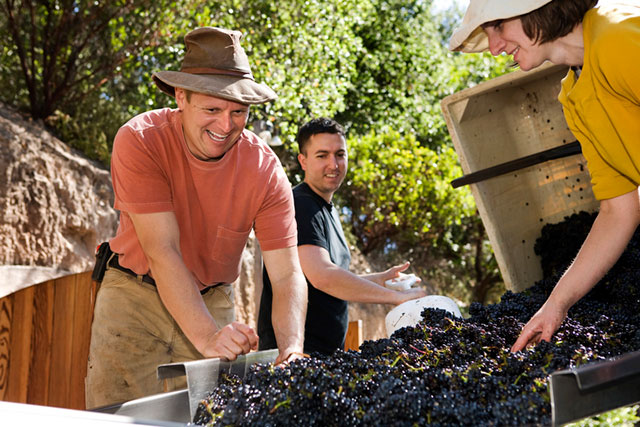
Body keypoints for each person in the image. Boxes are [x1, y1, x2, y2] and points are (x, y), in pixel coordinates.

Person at [85, 27, 308, 408]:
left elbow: (287, 273)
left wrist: (291, 349)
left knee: (213, 416)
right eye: (212, 109)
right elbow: (163, 250)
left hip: (214, 300)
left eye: (238, 112)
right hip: (133, 299)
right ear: (181, 96)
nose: (226, 125)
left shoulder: (266, 171)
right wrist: (207, 338)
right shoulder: (140, 140)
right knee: (115, 416)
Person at [449, 0, 640, 352]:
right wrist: (555, 305)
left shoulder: (618, 36)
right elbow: (618, 210)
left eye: (499, 26)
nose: (494, 48)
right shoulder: (573, 97)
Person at [257, 118, 427, 356]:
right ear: (302, 161)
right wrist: (394, 297)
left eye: (339, 154)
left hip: (324, 355)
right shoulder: (300, 205)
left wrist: (379, 279)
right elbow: (322, 277)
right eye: (322, 155)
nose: (333, 164)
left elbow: (327, 279)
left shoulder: (327, 209)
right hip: (295, 357)